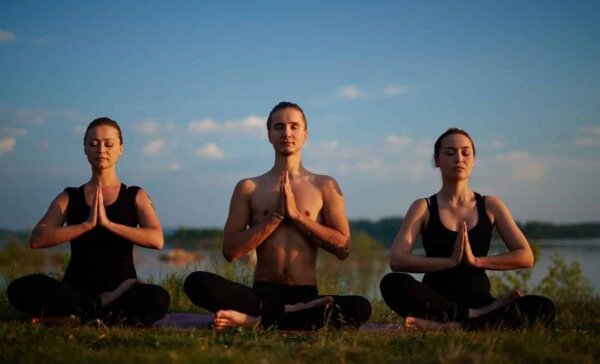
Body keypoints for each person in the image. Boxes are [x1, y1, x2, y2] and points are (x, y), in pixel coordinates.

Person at [184, 102, 371, 331]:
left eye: (294, 126)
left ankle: (257, 320)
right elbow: (230, 251)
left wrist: (298, 217)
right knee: (197, 283)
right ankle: (287, 316)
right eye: (279, 127)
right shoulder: (249, 187)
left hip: (305, 293)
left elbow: (344, 249)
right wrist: (275, 218)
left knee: (361, 308)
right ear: (270, 135)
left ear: (305, 134)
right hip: (261, 294)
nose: (287, 133)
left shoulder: (325, 185)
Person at [379, 128, 555, 331]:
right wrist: (450, 261)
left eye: (465, 152)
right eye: (450, 152)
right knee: (392, 283)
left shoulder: (490, 205)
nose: (459, 159)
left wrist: (475, 261)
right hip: (434, 302)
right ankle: (476, 319)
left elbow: (525, 257)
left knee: (543, 306)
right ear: (436, 160)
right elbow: (397, 260)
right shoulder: (423, 207)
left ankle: (450, 326)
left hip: (480, 299)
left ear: (474, 160)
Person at [7, 117, 170, 326]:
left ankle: (80, 316)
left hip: (122, 290)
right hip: (74, 289)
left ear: (120, 149)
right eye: (93, 144)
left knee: (158, 298)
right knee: (19, 289)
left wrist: (108, 225)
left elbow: (157, 239)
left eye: (109, 144)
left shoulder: (134, 195)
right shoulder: (70, 196)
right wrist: (86, 225)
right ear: (85, 149)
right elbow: (37, 239)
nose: (101, 149)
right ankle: (100, 308)